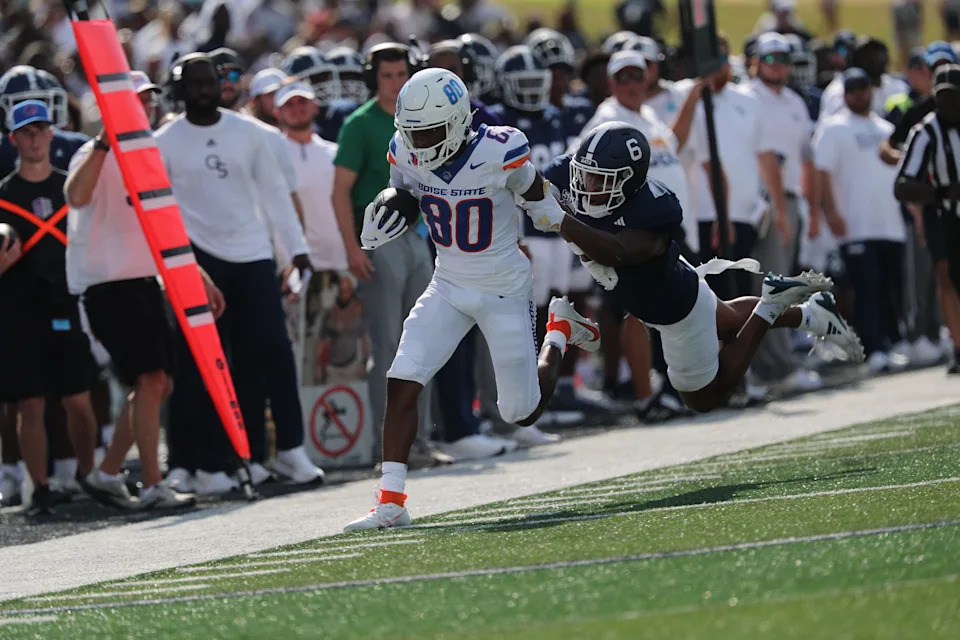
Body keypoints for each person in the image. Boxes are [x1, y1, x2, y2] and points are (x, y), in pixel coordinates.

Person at [343, 68, 601, 531]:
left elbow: (541, 202)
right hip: (448, 283)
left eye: (432, 131)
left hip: (503, 286)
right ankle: (391, 502)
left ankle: (559, 333)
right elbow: (404, 192)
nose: (421, 143)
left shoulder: (500, 148)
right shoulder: (403, 147)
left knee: (520, 412)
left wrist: (587, 247)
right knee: (403, 377)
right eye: (414, 132)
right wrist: (390, 206)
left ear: (460, 119)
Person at [547, 123, 863, 416]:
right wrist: (519, 180)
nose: (589, 185)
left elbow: (614, 251)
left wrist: (558, 218)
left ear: (629, 181)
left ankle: (769, 308)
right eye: (586, 175)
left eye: (602, 179)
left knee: (704, 400)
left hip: (677, 313)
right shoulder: (571, 173)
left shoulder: (653, 211)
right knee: (728, 321)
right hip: (679, 283)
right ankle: (811, 314)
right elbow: (537, 179)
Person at [155, 53, 322, 495]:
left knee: (270, 351)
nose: (204, 91)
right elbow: (161, 211)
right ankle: (195, 462)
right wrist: (181, 263)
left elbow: (274, 196)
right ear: (180, 90)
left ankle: (285, 449)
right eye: (194, 85)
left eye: (209, 82)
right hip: (196, 260)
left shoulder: (250, 133)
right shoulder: (164, 141)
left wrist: (297, 251)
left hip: (251, 256)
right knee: (198, 364)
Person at [64, 71, 205, 510]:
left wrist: (197, 272)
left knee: (156, 385)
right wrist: (106, 141)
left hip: (143, 281)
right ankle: (151, 483)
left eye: (146, 100)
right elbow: (75, 195)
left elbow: (164, 223)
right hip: (107, 284)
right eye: (134, 101)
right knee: (152, 380)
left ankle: (107, 473)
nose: (144, 107)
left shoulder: (149, 155)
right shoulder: (94, 151)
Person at [332, 43, 442, 466]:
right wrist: (352, 249)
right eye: (387, 76)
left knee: (425, 340)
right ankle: (391, 449)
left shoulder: (419, 119)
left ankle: (422, 441)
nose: (395, 84)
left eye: (401, 76)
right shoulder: (360, 125)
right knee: (389, 342)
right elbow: (340, 192)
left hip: (417, 237)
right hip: (379, 240)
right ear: (372, 79)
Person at [0, 100, 100, 515]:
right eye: (26, 132)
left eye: (41, 130)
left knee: (78, 398)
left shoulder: (70, 187)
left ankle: (93, 477)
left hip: (66, 302)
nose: (35, 139)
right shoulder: (3, 195)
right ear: (13, 139)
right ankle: (38, 487)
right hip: (18, 310)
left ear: (52, 134)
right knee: (30, 402)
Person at [813, 68, 907, 374]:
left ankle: (892, 341)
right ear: (844, 94)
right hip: (855, 224)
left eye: (863, 88)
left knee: (889, 287)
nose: (859, 94)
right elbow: (822, 172)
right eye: (852, 89)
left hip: (889, 222)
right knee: (866, 288)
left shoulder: (885, 128)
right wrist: (830, 213)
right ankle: (873, 346)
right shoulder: (833, 127)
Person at [744, 33, 823, 393]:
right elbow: (765, 160)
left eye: (783, 58)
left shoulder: (794, 100)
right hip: (762, 201)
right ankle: (773, 368)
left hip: (790, 200)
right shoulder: (748, 97)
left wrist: (811, 206)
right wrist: (778, 209)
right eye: (770, 58)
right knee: (769, 286)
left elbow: (805, 158)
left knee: (782, 285)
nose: (778, 65)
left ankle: (772, 365)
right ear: (757, 61)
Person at [896, 65, 960, 342]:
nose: (949, 104)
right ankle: (958, 345)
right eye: (942, 97)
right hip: (943, 215)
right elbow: (902, 185)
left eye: (954, 96)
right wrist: (943, 193)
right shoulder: (926, 132)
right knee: (946, 276)